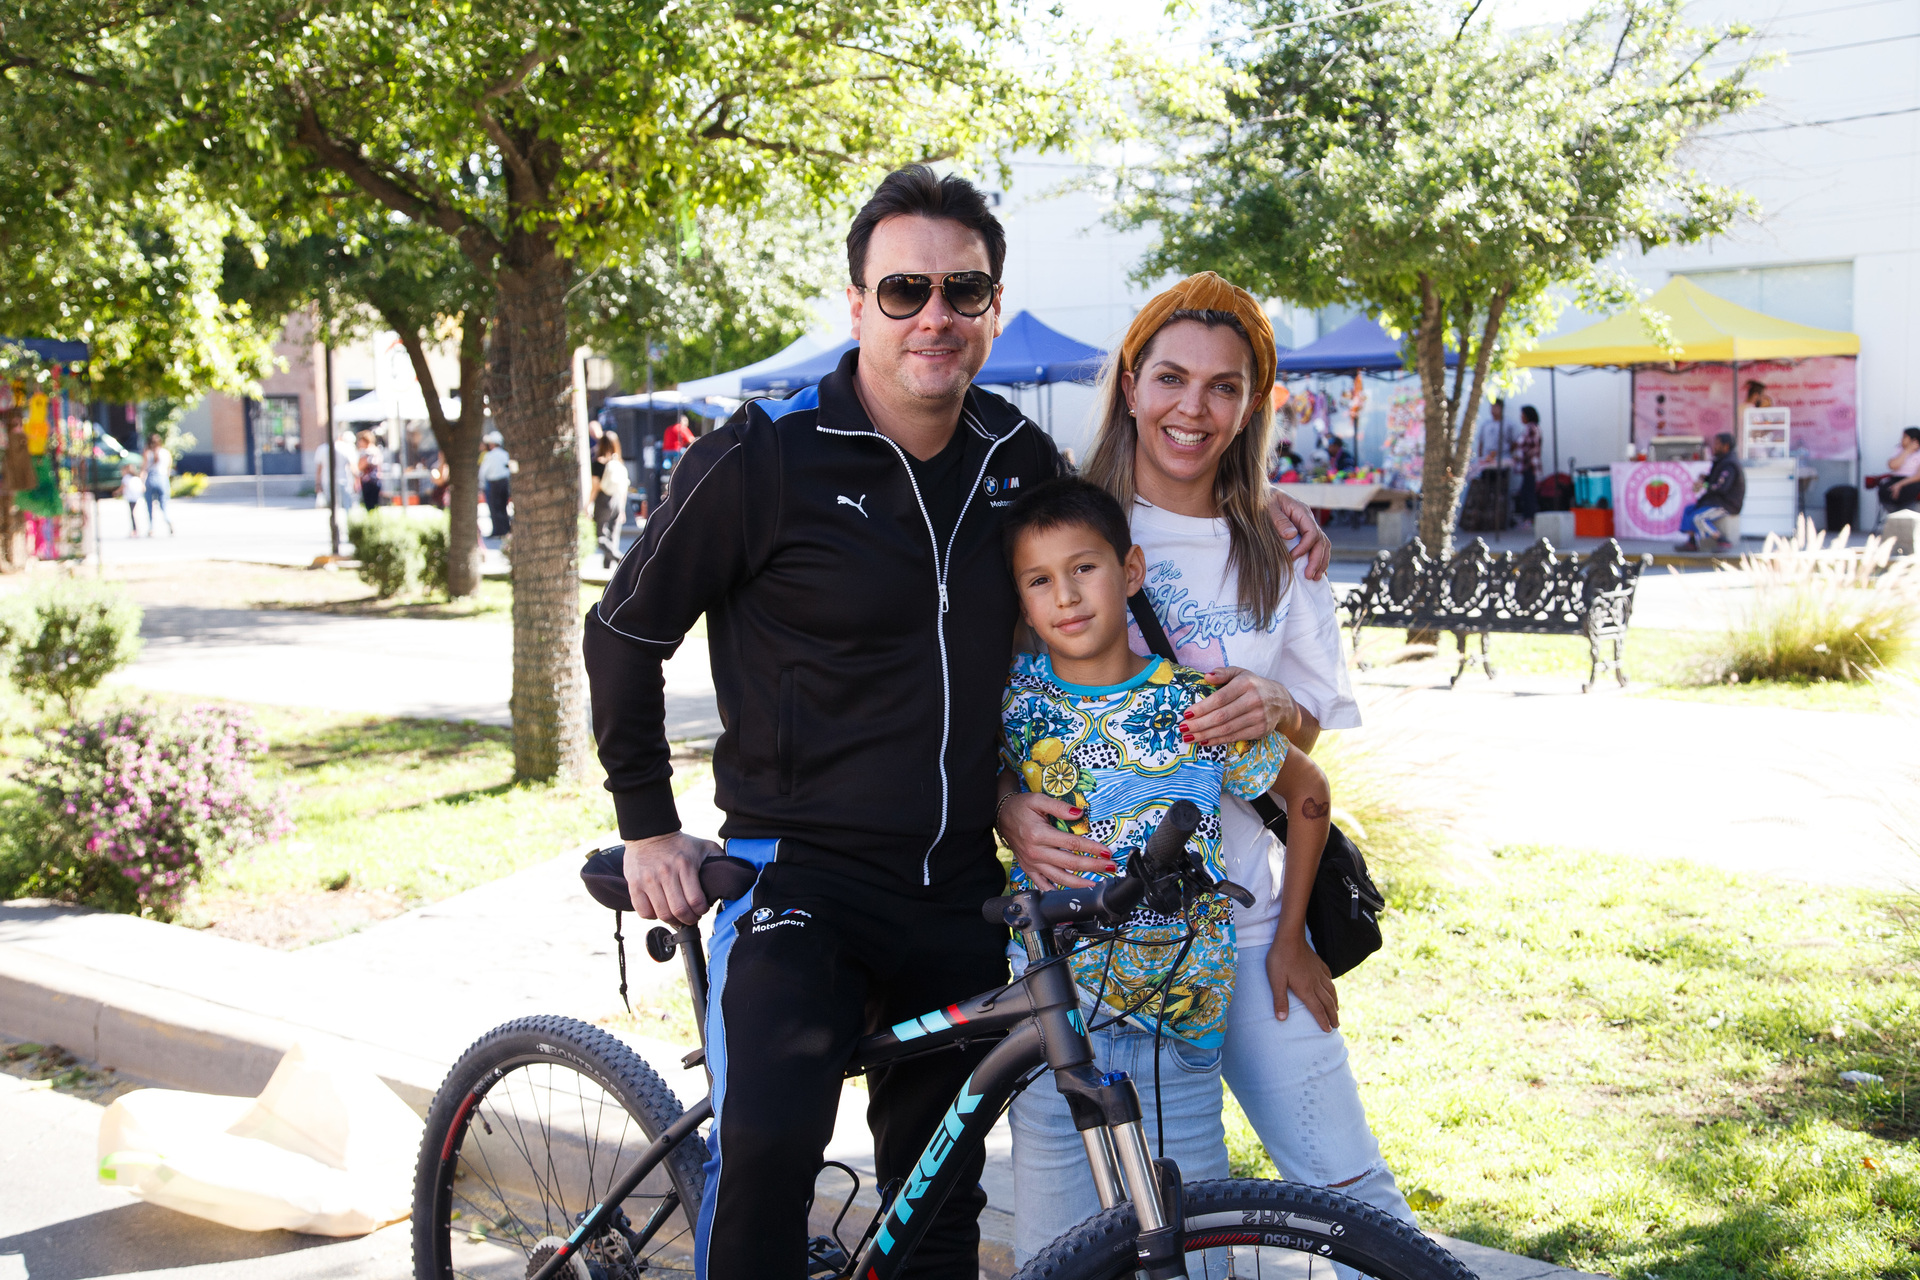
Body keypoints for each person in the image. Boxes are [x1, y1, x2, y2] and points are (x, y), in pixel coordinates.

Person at [583, 169, 1332, 1280]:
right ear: (857, 304)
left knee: (936, 1214)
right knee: (770, 1160)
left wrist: (1250, 500)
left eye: (963, 290)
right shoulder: (763, 454)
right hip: (798, 878)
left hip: (959, 892)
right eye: (905, 290)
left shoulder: (1012, 459)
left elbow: (1111, 527)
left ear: (991, 305)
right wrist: (648, 822)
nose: (934, 314)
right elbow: (622, 631)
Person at [995, 270, 1415, 1266]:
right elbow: (999, 714)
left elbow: (1302, 749)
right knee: (1107, 1231)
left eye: (1225, 386)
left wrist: (1273, 705)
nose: (1194, 408)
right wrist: (1005, 805)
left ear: (1254, 403)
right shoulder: (1065, 531)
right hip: (1095, 944)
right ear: (1131, 384)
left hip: (1249, 923)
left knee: (1352, 1195)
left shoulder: (1279, 546)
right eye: (1172, 378)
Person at [1676, 431, 1745, 552]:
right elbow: (1715, 480)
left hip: (1726, 504)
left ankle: (1722, 540)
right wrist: (1705, 478)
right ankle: (1692, 542)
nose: (1714, 446)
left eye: (1717, 444)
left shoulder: (1730, 464)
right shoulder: (1721, 461)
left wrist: (1704, 484)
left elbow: (1721, 487)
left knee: (1698, 518)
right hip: (1714, 501)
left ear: (1726, 446)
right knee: (1689, 510)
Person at [590, 432, 630, 567]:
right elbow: (624, 488)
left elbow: (595, 487)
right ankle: (608, 568)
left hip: (603, 499)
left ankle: (620, 559)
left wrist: (589, 503)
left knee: (599, 536)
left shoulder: (598, 464)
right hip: (617, 500)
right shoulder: (619, 464)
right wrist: (622, 509)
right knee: (613, 536)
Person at [1878, 426, 1920, 512]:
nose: (1901, 439)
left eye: (1904, 437)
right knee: (1885, 489)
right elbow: (1892, 466)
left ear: (1914, 440)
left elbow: (1918, 476)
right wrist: (1907, 451)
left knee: (1908, 491)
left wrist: (1899, 485)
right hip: (1895, 478)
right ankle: (1894, 514)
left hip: (1911, 481)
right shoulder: (1899, 449)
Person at [479, 430, 511, 538]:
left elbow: (483, 472)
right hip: (504, 483)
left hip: (493, 485)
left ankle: (498, 530)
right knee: (503, 507)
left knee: (494, 508)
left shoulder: (489, 456)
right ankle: (505, 529)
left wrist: (481, 485)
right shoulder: (505, 454)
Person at [1515, 404, 1543, 524]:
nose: (1521, 417)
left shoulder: (1531, 428)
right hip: (1528, 465)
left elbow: (1531, 448)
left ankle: (1530, 518)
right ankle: (1528, 517)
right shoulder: (1531, 428)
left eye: (1522, 415)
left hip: (1530, 465)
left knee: (1528, 492)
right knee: (1526, 491)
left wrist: (1520, 457)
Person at [143, 439, 175, 535]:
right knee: (163, 504)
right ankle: (168, 519)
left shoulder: (148, 453)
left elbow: (143, 469)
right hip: (163, 479)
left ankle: (151, 528)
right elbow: (169, 469)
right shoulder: (166, 453)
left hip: (151, 478)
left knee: (149, 505)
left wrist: (141, 482)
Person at [356, 431, 384, 509]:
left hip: (368, 480)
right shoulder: (376, 450)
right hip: (376, 479)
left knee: (369, 504)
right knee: (375, 504)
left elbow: (360, 466)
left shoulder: (366, 452)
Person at [119, 462, 144, 536]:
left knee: (133, 514)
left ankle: (135, 529)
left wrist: (115, 492)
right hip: (138, 497)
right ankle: (136, 529)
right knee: (135, 513)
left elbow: (122, 487)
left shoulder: (126, 478)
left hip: (131, 498)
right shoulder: (137, 478)